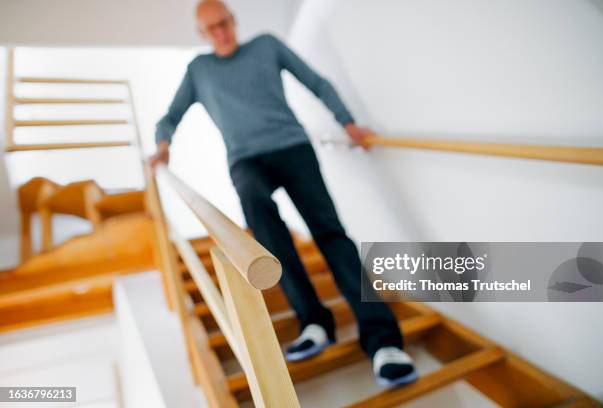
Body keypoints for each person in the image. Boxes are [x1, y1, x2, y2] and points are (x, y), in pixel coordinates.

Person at [150, 0, 417, 387]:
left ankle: (384, 343)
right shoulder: (199, 70)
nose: (221, 32)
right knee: (266, 237)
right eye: (211, 29)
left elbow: (317, 82)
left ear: (233, 20)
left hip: (293, 149)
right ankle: (314, 322)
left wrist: (347, 122)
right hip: (246, 161)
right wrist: (163, 143)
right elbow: (169, 116)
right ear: (202, 34)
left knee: (332, 236)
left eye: (224, 23)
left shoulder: (266, 46)